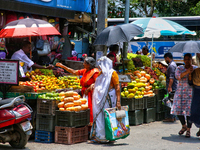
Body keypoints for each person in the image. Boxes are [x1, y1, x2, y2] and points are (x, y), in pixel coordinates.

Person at [56, 57, 99, 124]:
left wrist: (90, 87)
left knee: (90, 109)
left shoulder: (95, 72)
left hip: (91, 94)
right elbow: (74, 72)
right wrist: (63, 66)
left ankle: (91, 126)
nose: (83, 64)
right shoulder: (85, 70)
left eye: (84, 62)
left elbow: (98, 83)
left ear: (89, 64)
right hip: (85, 93)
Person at [89, 56, 121, 143]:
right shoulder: (101, 74)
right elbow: (98, 84)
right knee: (99, 116)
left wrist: (118, 102)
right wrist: (93, 85)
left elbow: (117, 88)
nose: (99, 67)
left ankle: (111, 137)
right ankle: (100, 137)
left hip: (109, 99)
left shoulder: (113, 73)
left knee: (109, 117)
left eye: (101, 65)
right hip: (99, 100)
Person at [171, 53, 198, 138]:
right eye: (185, 59)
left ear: (191, 59)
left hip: (191, 93)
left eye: (188, 59)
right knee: (178, 109)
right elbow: (178, 77)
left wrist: (192, 72)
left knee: (189, 112)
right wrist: (187, 72)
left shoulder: (195, 68)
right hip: (180, 92)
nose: (187, 61)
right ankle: (184, 126)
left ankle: (188, 130)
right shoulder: (179, 68)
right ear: (183, 60)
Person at [163, 53, 178, 122]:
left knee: (169, 101)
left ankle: (171, 117)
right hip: (174, 86)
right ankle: (173, 117)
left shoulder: (171, 66)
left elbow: (171, 78)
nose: (165, 60)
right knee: (172, 101)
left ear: (167, 58)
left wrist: (169, 87)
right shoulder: (173, 64)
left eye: (165, 59)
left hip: (172, 86)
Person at [188, 67, 200, 137]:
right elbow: (190, 83)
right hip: (196, 91)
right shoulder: (196, 71)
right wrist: (190, 74)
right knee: (195, 111)